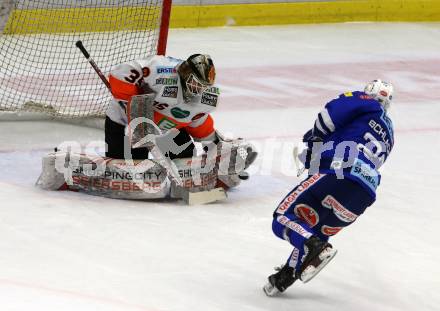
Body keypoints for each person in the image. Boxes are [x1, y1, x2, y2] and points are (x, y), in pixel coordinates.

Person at [263, 80, 395, 296]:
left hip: (340, 171)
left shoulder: (365, 101)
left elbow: (329, 116)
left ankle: (311, 247)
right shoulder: (390, 133)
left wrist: (314, 140)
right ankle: (287, 274)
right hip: (365, 192)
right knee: (314, 230)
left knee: (282, 218)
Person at [105, 54, 219, 160]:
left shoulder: (206, 98)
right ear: (185, 74)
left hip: (164, 127)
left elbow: (198, 121)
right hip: (124, 120)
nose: (199, 89)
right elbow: (121, 73)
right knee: (133, 159)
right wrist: (132, 103)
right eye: (196, 83)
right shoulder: (159, 71)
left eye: (204, 86)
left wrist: (215, 147)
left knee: (185, 157)